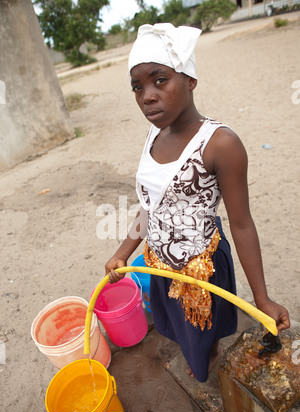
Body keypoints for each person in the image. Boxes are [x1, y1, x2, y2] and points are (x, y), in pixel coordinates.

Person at [105, 23, 290, 382]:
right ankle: (198, 354)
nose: (147, 96)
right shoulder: (153, 135)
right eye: (138, 86)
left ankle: (205, 359)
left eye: (160, 80)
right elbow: (151, 206)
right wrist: (123, 252)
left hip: (199, 270)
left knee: (202, 334)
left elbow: (241, 224)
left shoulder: (220, 144)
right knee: (174, 325)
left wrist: (262, 299)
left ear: (190, 79)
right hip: (160, 265)